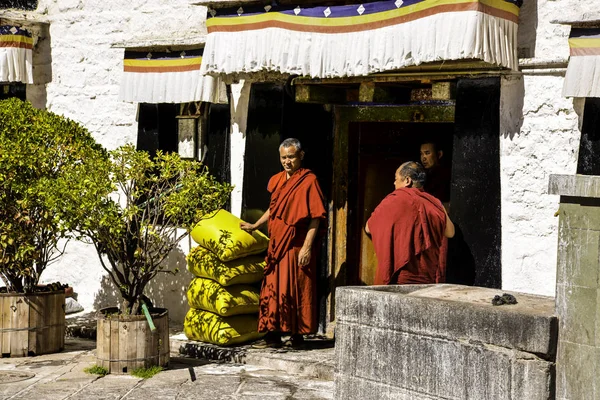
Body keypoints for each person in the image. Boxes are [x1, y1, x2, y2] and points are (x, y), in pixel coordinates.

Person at [240, 138, 326, 348]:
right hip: (277, 243)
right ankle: (272, 334)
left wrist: (307, 247)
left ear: (301, 156)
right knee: (272, 287)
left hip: (296, 244)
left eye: (291, 157)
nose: (287, 162)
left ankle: (298, 335)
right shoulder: (277, 180)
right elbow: (274, 208)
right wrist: (255, 225)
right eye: (284, 158)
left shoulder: (309, 180)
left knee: (297, 287)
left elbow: (316, 216)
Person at [365, 161, 455, 285]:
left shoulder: (394, 200)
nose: (394, 183)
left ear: (407, 181)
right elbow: (450, 232)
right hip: (426, 280)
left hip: (399, 278)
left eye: (396, 179)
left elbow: (368, 228)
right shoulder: (435, 203)